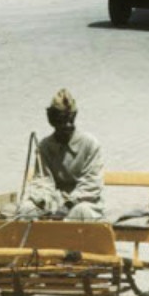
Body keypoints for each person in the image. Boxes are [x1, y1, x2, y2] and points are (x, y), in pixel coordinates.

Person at [18, 89, 105, 221]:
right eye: (62, 121)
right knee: (26, 211)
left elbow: (91, 183)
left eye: (70, 120)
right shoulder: (45, 146)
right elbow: (42, 181)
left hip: (85, 203)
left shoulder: (90, 144)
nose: (68, 125)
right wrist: (42, 202)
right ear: (52, 120)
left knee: (79, 213)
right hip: (54, 203)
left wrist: (68, 205)